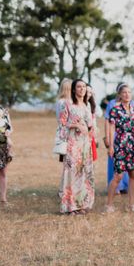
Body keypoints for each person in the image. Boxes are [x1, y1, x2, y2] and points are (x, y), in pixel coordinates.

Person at [106, 84, 134, 212]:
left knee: (133, 174)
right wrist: (111, 146)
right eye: (124, 92)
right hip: (120, 144)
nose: (127, 94)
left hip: (133, 144)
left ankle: (131, 204)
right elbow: (112, 128)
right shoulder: (115, 110)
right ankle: (109, 205)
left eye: (129, 92)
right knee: (118, 176)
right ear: (120, 95)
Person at [60, 79, 95, 215]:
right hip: (73, 143)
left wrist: (90, 130)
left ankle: (81, 204)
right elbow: (63, 123)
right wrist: (76, 125)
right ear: (74, 90)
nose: (82, 89)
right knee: (72, 173)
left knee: (83, 174)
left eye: (84, 87)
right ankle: (70, 206)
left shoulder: (86, 105)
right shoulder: (68, 104)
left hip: (85, 143)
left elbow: (90, 124)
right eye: (79, 87)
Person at [53, 78, 71, 199]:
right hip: (68, 133)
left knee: (67, 164)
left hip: (62, 132)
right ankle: (63, 190)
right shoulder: (66, 102)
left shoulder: (59, 101)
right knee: (68, 164)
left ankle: (63, 189)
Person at [86, 84, 99, 163]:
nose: (88, 94)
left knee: (90, 160)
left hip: (91, 135)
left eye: (90, 92)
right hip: (81, 135)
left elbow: (98, 114)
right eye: (87, 92)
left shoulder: (91, 104)